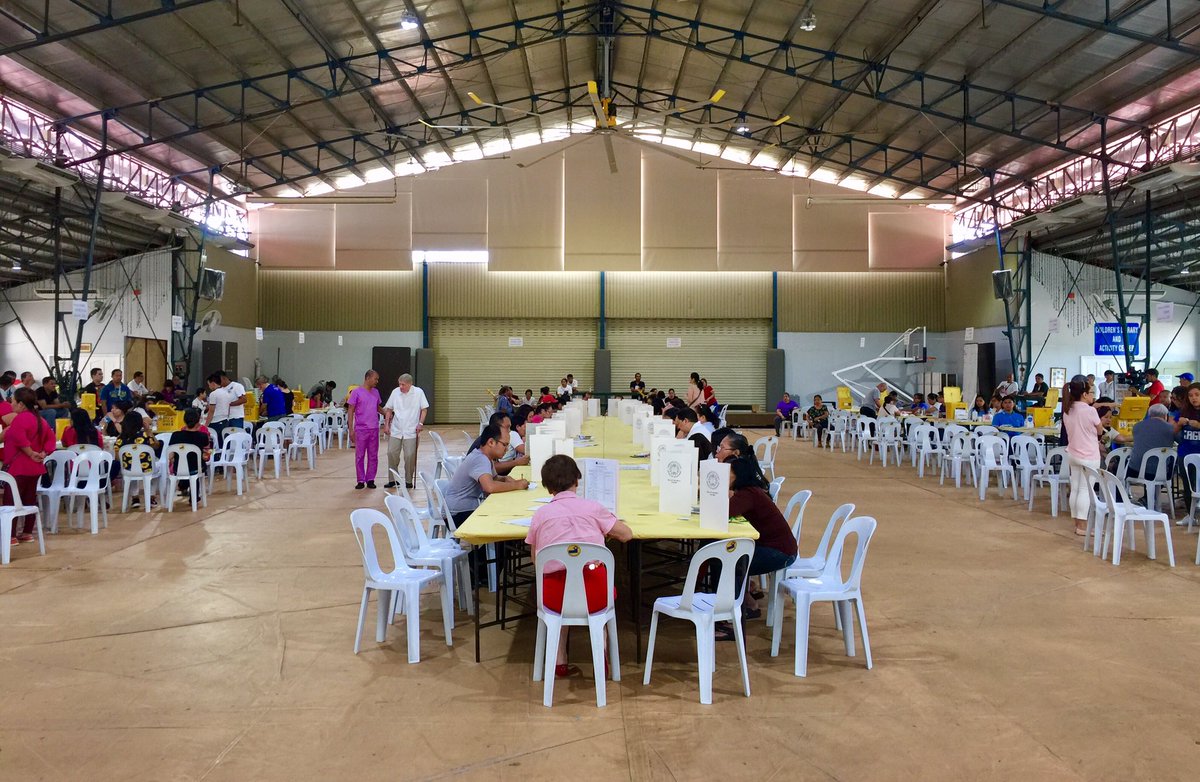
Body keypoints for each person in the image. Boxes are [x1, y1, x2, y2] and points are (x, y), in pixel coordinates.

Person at [525, 454, 633, 678]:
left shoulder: (540, 515)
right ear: (577, 479)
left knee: (561, 597)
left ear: (547, 487)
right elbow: (626, 535)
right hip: (594, 594)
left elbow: (536, 560)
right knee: (596, 601)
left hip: (553, 597)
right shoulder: (594, 508)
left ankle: (559, 660)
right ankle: (600, 653)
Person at [719, 456, 798, 635]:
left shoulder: (748, 494)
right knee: (734, 556)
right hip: (781, 548)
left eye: (728, 474)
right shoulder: (751, 492)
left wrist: (721, 491)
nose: (725, 477)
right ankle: (747, 601)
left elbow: (723, 512)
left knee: (729, 561)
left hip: (780, 553)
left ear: (737, 476)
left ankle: (735, 617)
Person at [444, 424, 529, 527]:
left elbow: (494, 478)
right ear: (491, 442)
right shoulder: (480, 459)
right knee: (503, 517)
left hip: (461, 508)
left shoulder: (485, 457)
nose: (506, 449)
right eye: (504, 445)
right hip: (457, 513)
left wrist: (505, 478)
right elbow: (490, 487)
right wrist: (516, 485)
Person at [3, 387, 56, 544]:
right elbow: (50, 439)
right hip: (35, 467)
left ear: (20, 404)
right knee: (29, 500)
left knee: (10, 502)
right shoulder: (41, 420)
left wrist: (30, 452)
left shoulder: (19, 419)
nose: (11, 404)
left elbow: (19, 438)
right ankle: (27, 532)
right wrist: (43, 453)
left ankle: (11, 535)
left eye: (13, 401)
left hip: (17, 467)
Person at [1063, 376, 1103, 536]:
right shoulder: (1090, 410)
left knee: (1076, 489)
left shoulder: (1068, 409)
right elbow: (1100, 431)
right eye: (1091, 392)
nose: (1093, 396)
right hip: (1089, 455)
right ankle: (1083, 527)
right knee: (1085, 490)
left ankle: (1077, 523)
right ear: (1085, 394)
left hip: (1073, 453)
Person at [382, 373, 429, 489]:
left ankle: (408, 480)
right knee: (391, 453)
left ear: (410, 384)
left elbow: (424, 409)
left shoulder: (418, 392)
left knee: (409, 455)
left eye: (403, 385)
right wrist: (386, 425)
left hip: (411, 429)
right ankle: (393, 480)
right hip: (396, 429)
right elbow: (389, 409)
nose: (401, 387)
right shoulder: (395, 392)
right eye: (399, 384)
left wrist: (420, 423)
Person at [347, 370, 382, 490]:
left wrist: (388, 413)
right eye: (375, 379)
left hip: (374, 428)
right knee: (360, 455)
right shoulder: (356, 392)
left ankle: (370, 478)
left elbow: (377, 407)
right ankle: (360, 479)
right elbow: (351, 410)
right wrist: (351, 429)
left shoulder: (376, 392)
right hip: (361, 429)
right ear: (368, 378)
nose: (377, 381)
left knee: (373, 455)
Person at [1174, 383, 1200, 520]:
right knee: (1187, 483)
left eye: (1197, 395)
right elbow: (1172, 431)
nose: (1193, 398)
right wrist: (1179, 424)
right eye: (1190, 396)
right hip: (1185, 453)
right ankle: (1190, 515)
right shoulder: (1184, 412)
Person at [169, 408, 213, 477]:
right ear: (198, 421)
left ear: (184, 420)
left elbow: (170, 456)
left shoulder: (175, 435)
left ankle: (183, 485)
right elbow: (207, 455)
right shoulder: (203, 436)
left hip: (178, 469)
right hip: (197, 469)